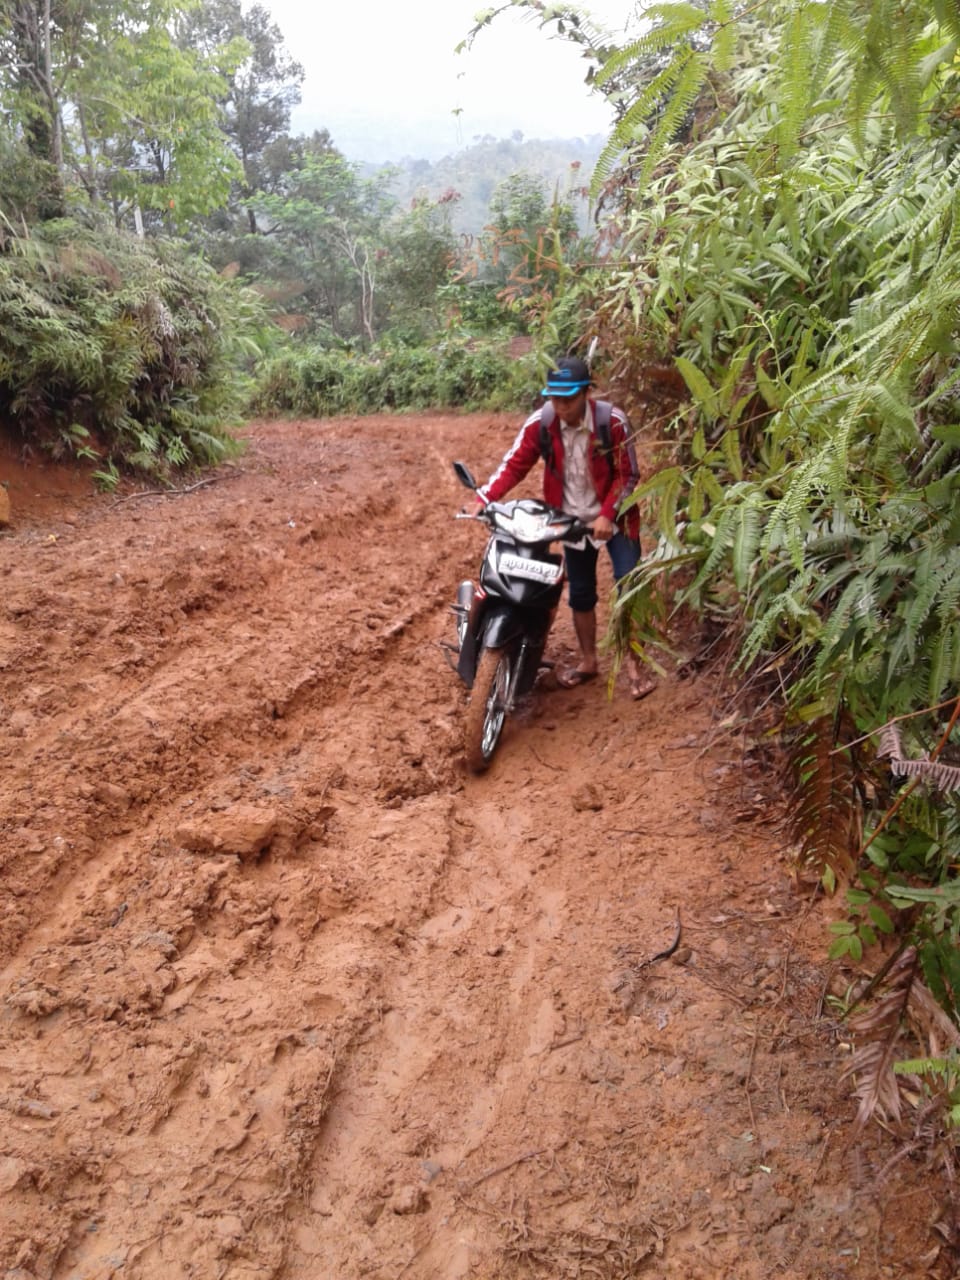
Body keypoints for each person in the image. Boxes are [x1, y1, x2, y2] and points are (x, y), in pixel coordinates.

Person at [477, 356, 655, 700]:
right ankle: (589, 661)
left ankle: (636, 664)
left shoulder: (613, 423)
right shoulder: (540, 425)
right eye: (553, 399)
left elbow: (627, 474)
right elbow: (515, 464)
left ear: (587, 394)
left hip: (616, 520)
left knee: (628, 584)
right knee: (582, 594)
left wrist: (607, 513)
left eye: (568, 399)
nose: (560, 407)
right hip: (570, 520)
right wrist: (484, 497)